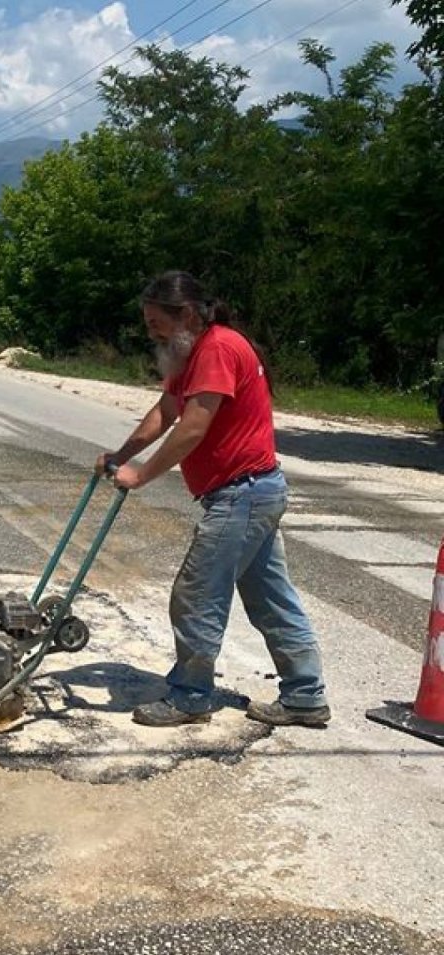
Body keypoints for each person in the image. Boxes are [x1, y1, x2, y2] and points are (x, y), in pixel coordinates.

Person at [96, 270, 330, 728]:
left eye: (154, 321)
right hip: (252, 492)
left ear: (184, 314)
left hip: (242, 494)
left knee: (197, 593)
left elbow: (193, 426)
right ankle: (305, 695)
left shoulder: (219, 348)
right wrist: (120, 455)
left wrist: (141, 475)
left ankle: (190, 695)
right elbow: (166, 412)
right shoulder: (192, 352)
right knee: (271, 598)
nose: (150, 331)